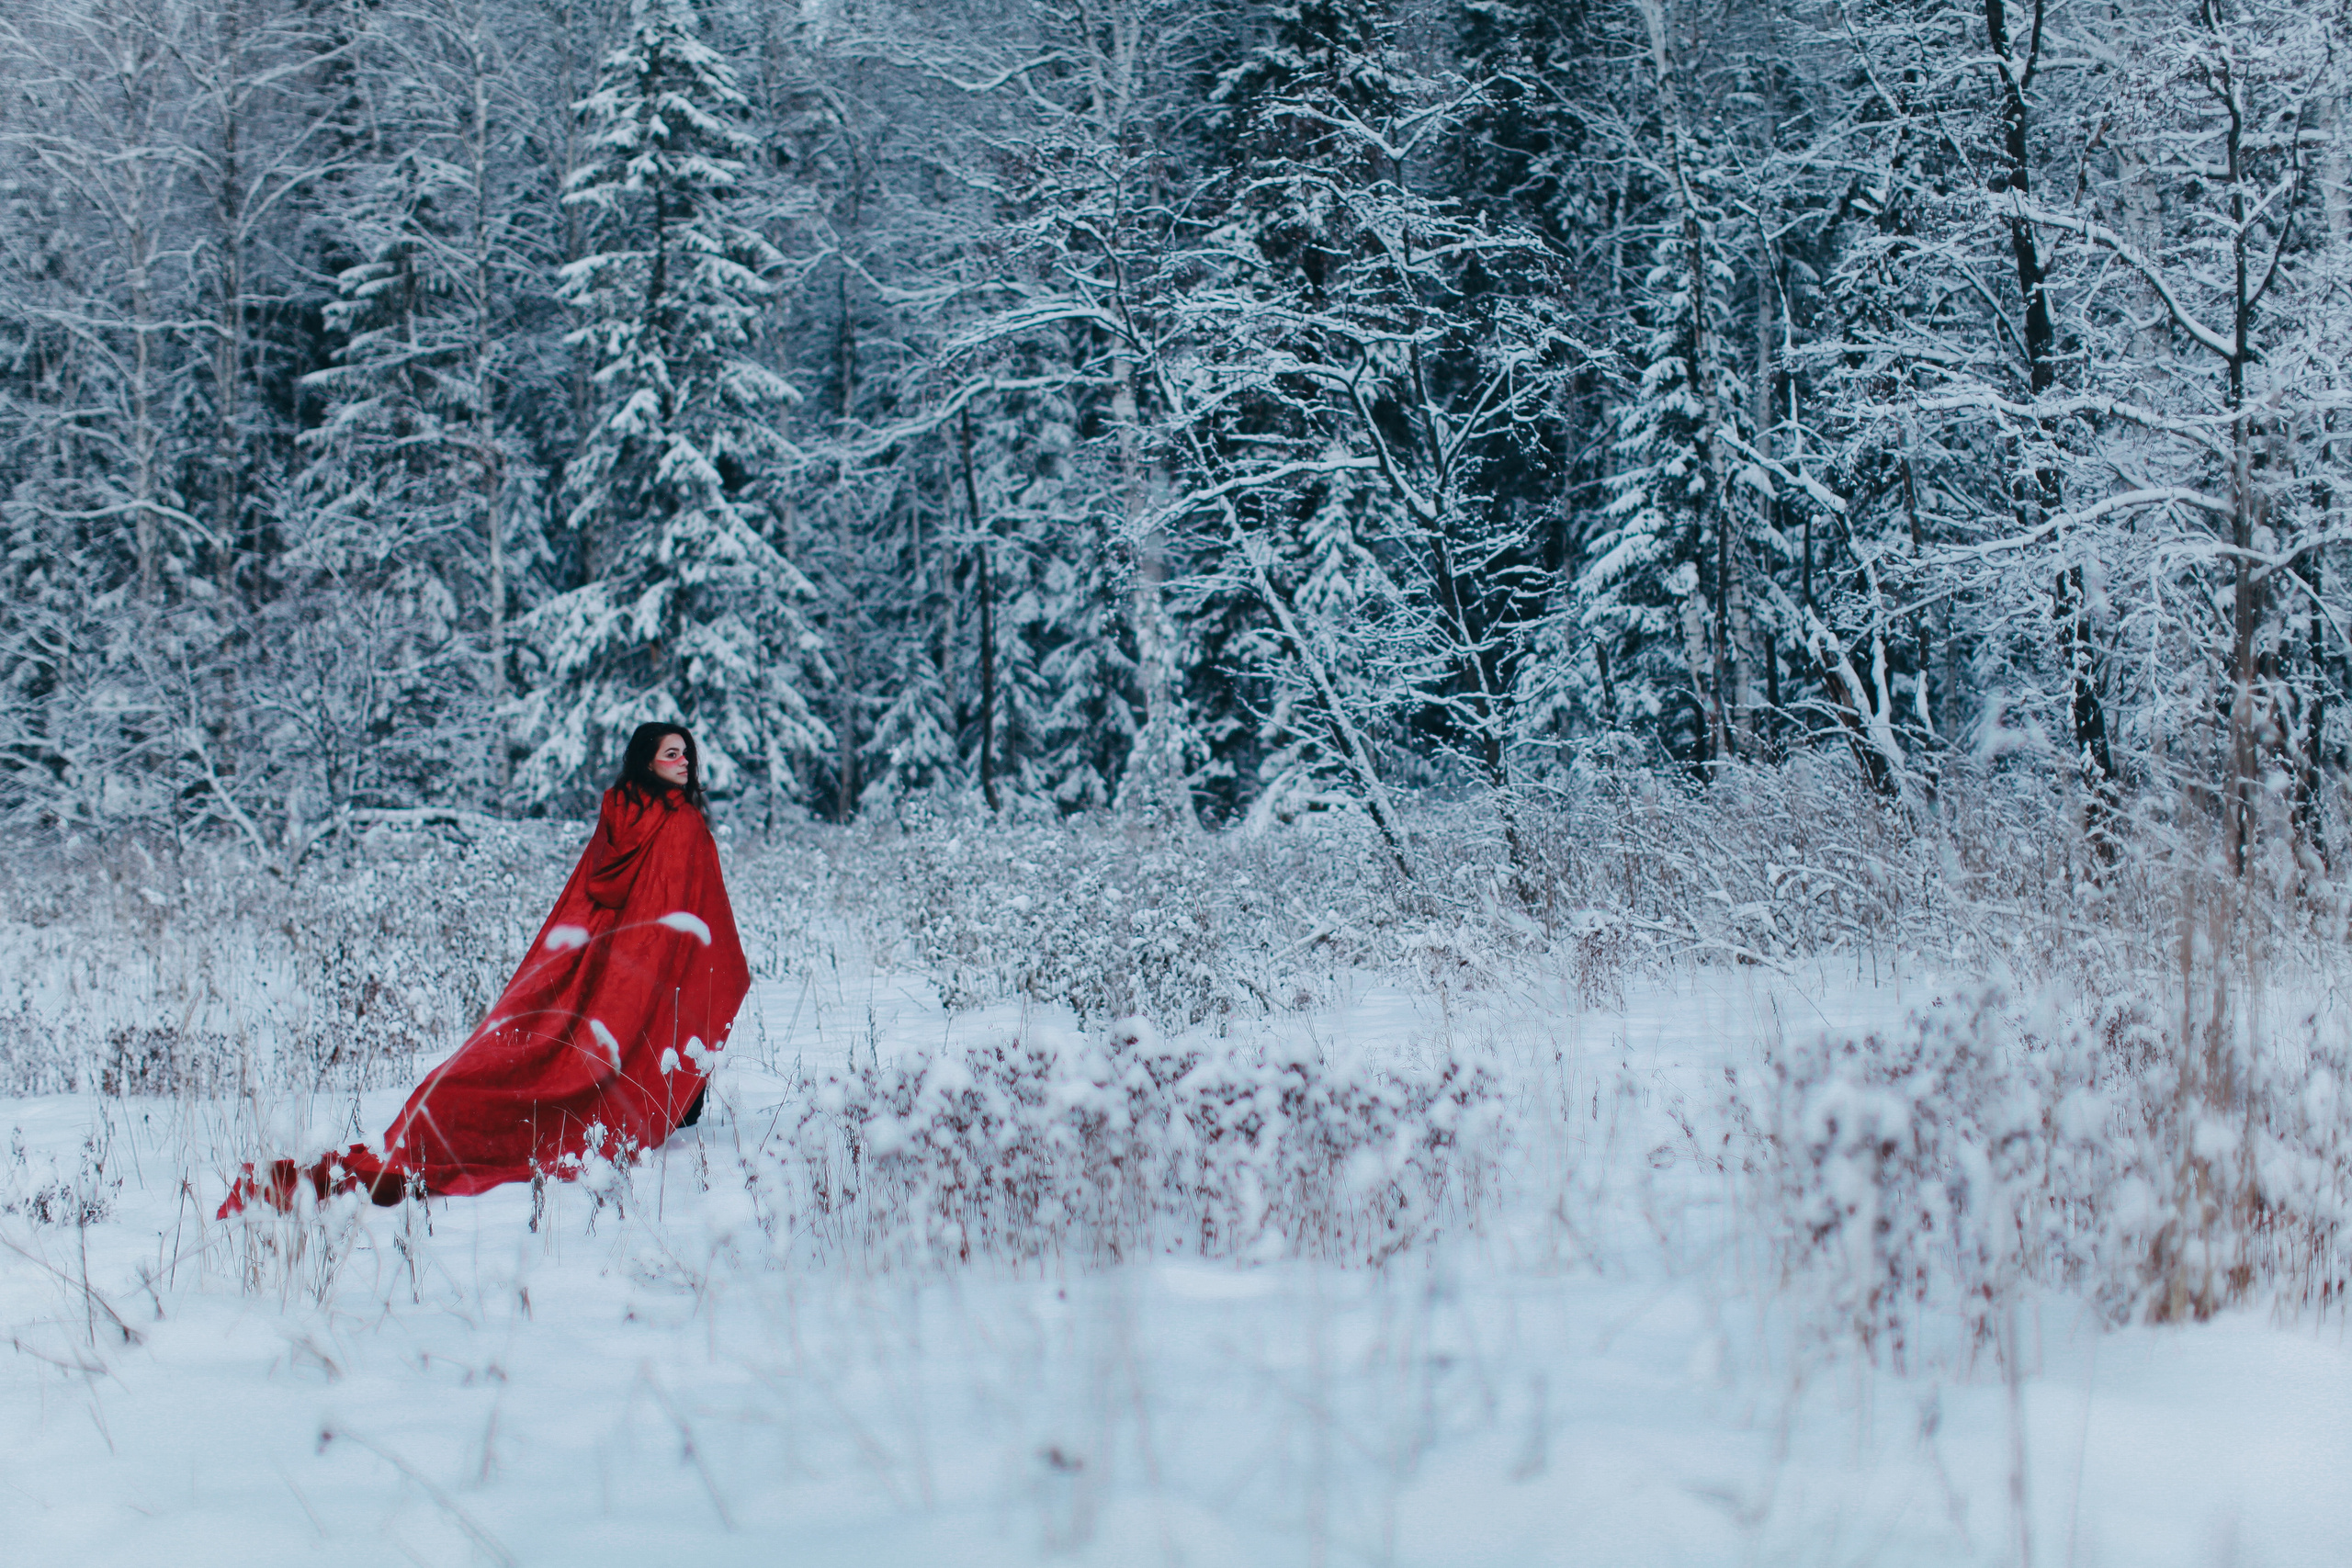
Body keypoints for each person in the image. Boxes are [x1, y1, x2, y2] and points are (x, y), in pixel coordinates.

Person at [221, 723, 752, 1214]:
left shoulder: (619, 814)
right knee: (662, 1030)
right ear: (647, 762)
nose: (684, 762)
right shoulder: (681, 823)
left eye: (687, 753)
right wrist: (690, 965)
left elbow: (592, 901)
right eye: (672, 754)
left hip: (611, 963)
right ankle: (670, 1110)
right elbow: (685, 915)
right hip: (648, 970)